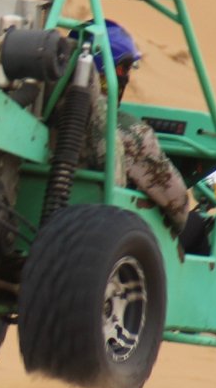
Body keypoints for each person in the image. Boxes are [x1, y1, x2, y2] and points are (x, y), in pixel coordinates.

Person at [77, 20, 193, 241]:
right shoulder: (130, 133)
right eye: (124, 68)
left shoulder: (36, 116)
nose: (126, 77)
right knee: (196, 228)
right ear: (108, 72)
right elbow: (178, 207)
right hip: (104, 239)